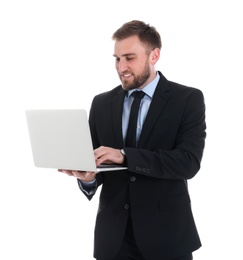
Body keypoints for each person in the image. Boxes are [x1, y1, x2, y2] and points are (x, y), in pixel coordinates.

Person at [59, 20, 206, 260]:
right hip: (114, 240)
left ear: (154, 55)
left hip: (166, 238)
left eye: (129, 57)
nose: (121, 67)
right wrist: (89, 178)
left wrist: (125, 155)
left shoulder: (187, 99)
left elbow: (188, 162)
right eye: (117, 59)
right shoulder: (102, 103)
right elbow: (99, 164)